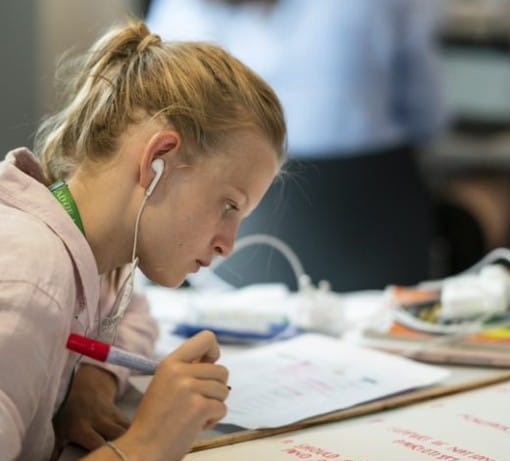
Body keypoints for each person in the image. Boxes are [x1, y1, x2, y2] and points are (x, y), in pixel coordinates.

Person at [0, 20, 286, 461]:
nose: (228, 244)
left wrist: (89, 381)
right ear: (158, 161)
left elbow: (129, 315)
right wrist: (137, 453)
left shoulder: (93, 242)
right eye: (228, 205)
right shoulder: (26, 285)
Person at [145, 0, 448, 291]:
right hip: (375, 231)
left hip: (236, 261)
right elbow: (428, 116)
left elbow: (152, 114)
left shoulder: (177, 12)